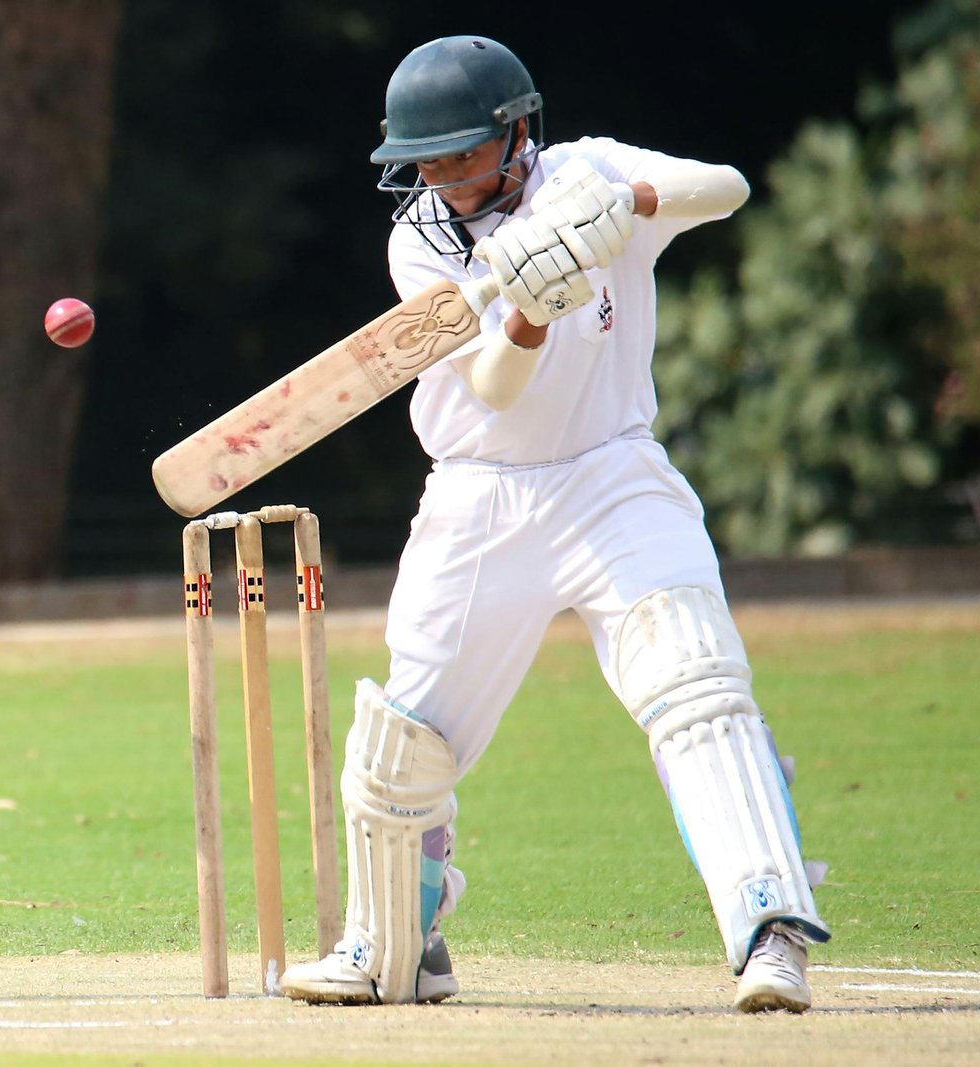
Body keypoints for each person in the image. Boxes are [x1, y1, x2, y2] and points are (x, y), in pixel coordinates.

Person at [279, 36, 829, 1014]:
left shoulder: (590, 168)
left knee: (694, 678)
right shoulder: (419, 243)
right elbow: (491, 390)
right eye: (425, 162)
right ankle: (395, 944)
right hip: (479, 495)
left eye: (458, 156)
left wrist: (623, 209)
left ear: (515, 131)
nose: (442, 180)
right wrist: (527, 309)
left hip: (613, 474)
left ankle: (769, 929)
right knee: (409, 734)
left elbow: (730, 185)